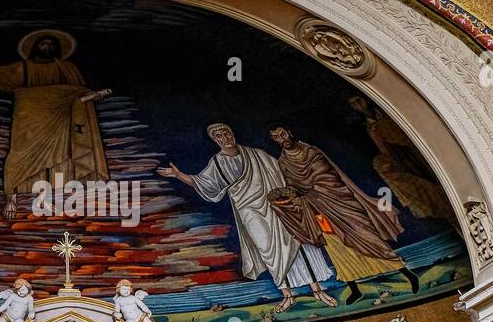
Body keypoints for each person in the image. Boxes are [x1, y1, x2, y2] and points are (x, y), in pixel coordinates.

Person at [160, 123, 336, 311]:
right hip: (249, 212)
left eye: (226, 133)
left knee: (296, 241)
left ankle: (317, 290)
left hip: (276, 205)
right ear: (215, 140)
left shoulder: (256, 154)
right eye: (219, 136)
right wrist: (178, 175)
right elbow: (202, 183)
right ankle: (287, 295)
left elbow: (282, 172)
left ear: (232, 134)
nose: (225, 138)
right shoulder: (217, 163)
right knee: (268, 251)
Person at [0, 30, 111, 220]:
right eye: (43, 44)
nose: (47, 47)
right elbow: (2, 74)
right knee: (20, 155)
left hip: (60, 116)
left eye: (51, 45)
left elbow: (77, 91)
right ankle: (11, 197)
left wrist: (92, 95)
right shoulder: (23, 67)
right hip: (30, 116)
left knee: (59, 156)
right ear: (35, 46)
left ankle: (46, 197)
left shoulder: (67, 67)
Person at [267, 125, 420, 305]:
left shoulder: (311, 153)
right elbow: (293, 185)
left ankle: (407, 273)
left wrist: (306, 194)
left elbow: (327, 178)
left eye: (283, 134)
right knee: (338, 251)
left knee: (367, 237)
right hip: (318, 211)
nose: (282, 139)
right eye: (276, 137)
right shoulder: (283, 162)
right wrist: (288, 197)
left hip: (339, 204)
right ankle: (355, 289)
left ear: (290, 132)